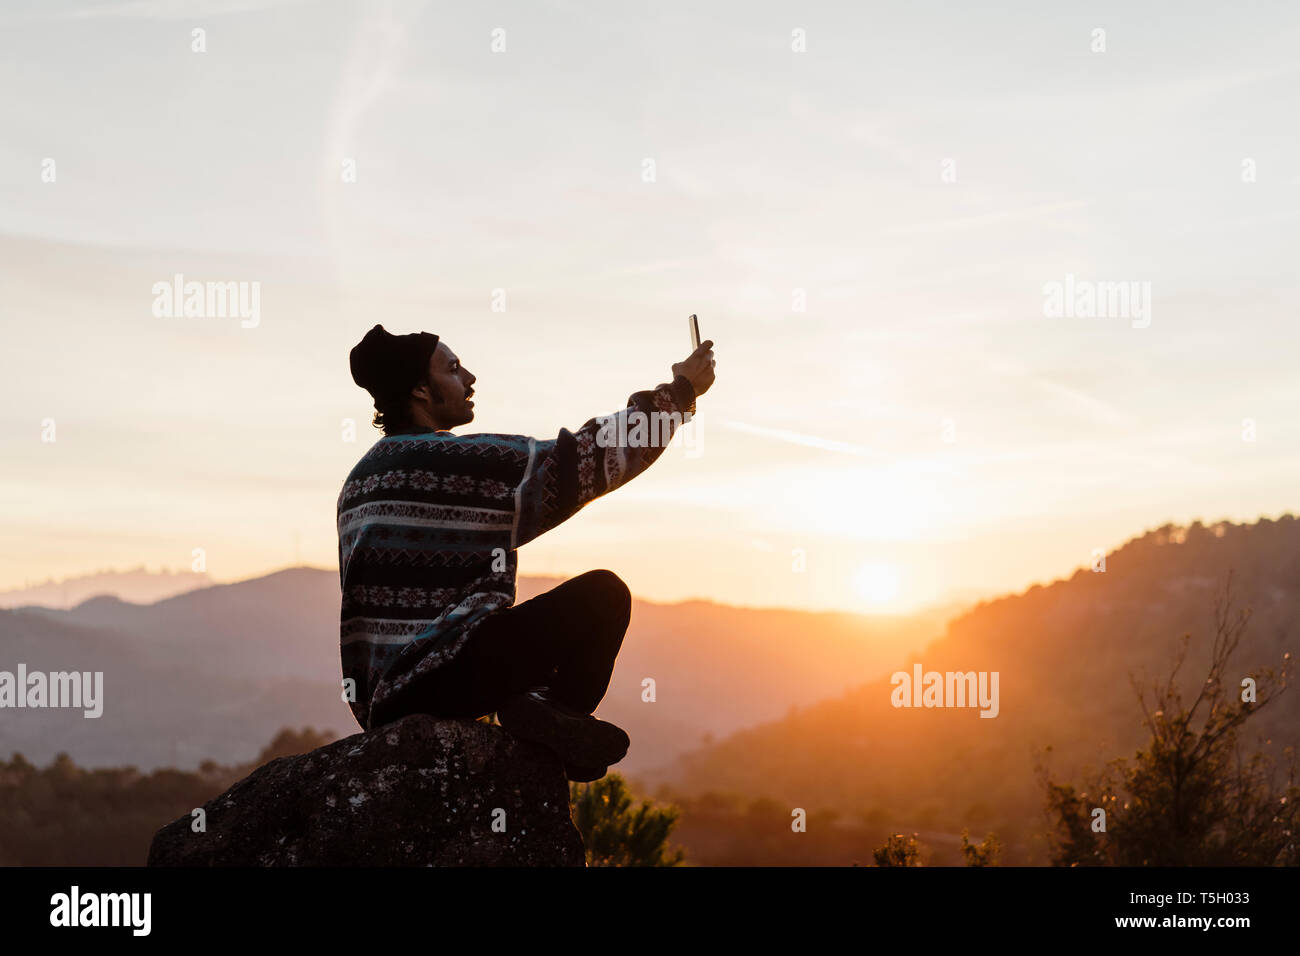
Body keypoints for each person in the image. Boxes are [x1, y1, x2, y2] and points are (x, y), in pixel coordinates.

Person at [338, 324, 716, 780]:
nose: (471, 378)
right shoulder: (447, 462)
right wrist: (680, 393)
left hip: (385, 700)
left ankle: (541, 713)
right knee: (603, 596)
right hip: (443, 675)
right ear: (421, 390)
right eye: (454, 370)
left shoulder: (359, 482)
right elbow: (588, 459)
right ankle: (556, 722)